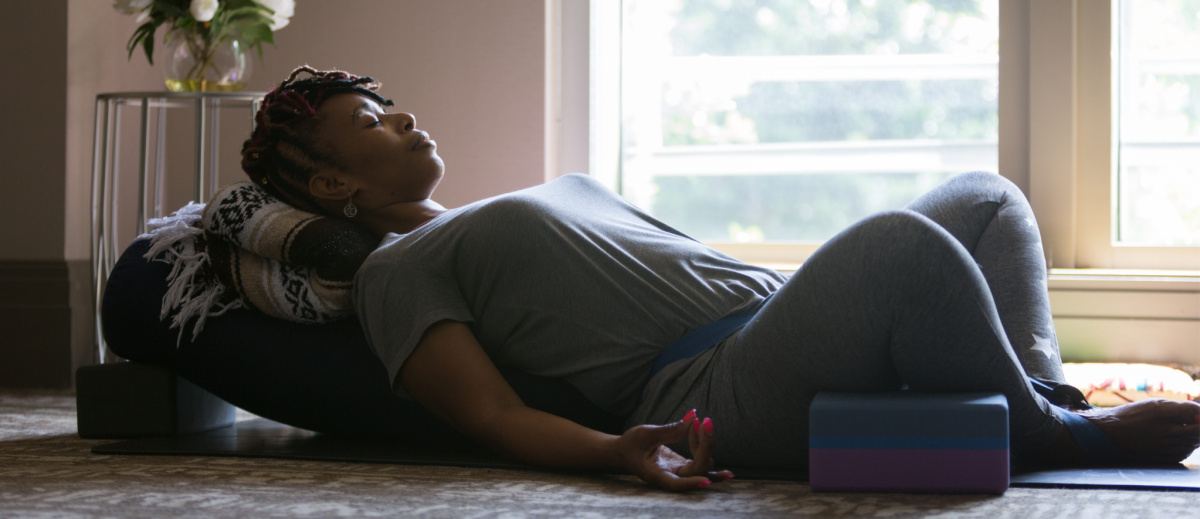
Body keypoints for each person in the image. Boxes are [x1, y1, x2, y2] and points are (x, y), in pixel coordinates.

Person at [240, 66, 1200, 491]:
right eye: (372, 124)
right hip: (715, 385)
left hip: (771, 323)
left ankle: (1042, 401)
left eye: (393, 108)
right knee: (905, 248)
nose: (403, 122)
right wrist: (615, 451)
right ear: (332, 183)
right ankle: (1070, 433)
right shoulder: (395, 271)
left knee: (986, 197)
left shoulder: (473, 218)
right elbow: (485, 415)